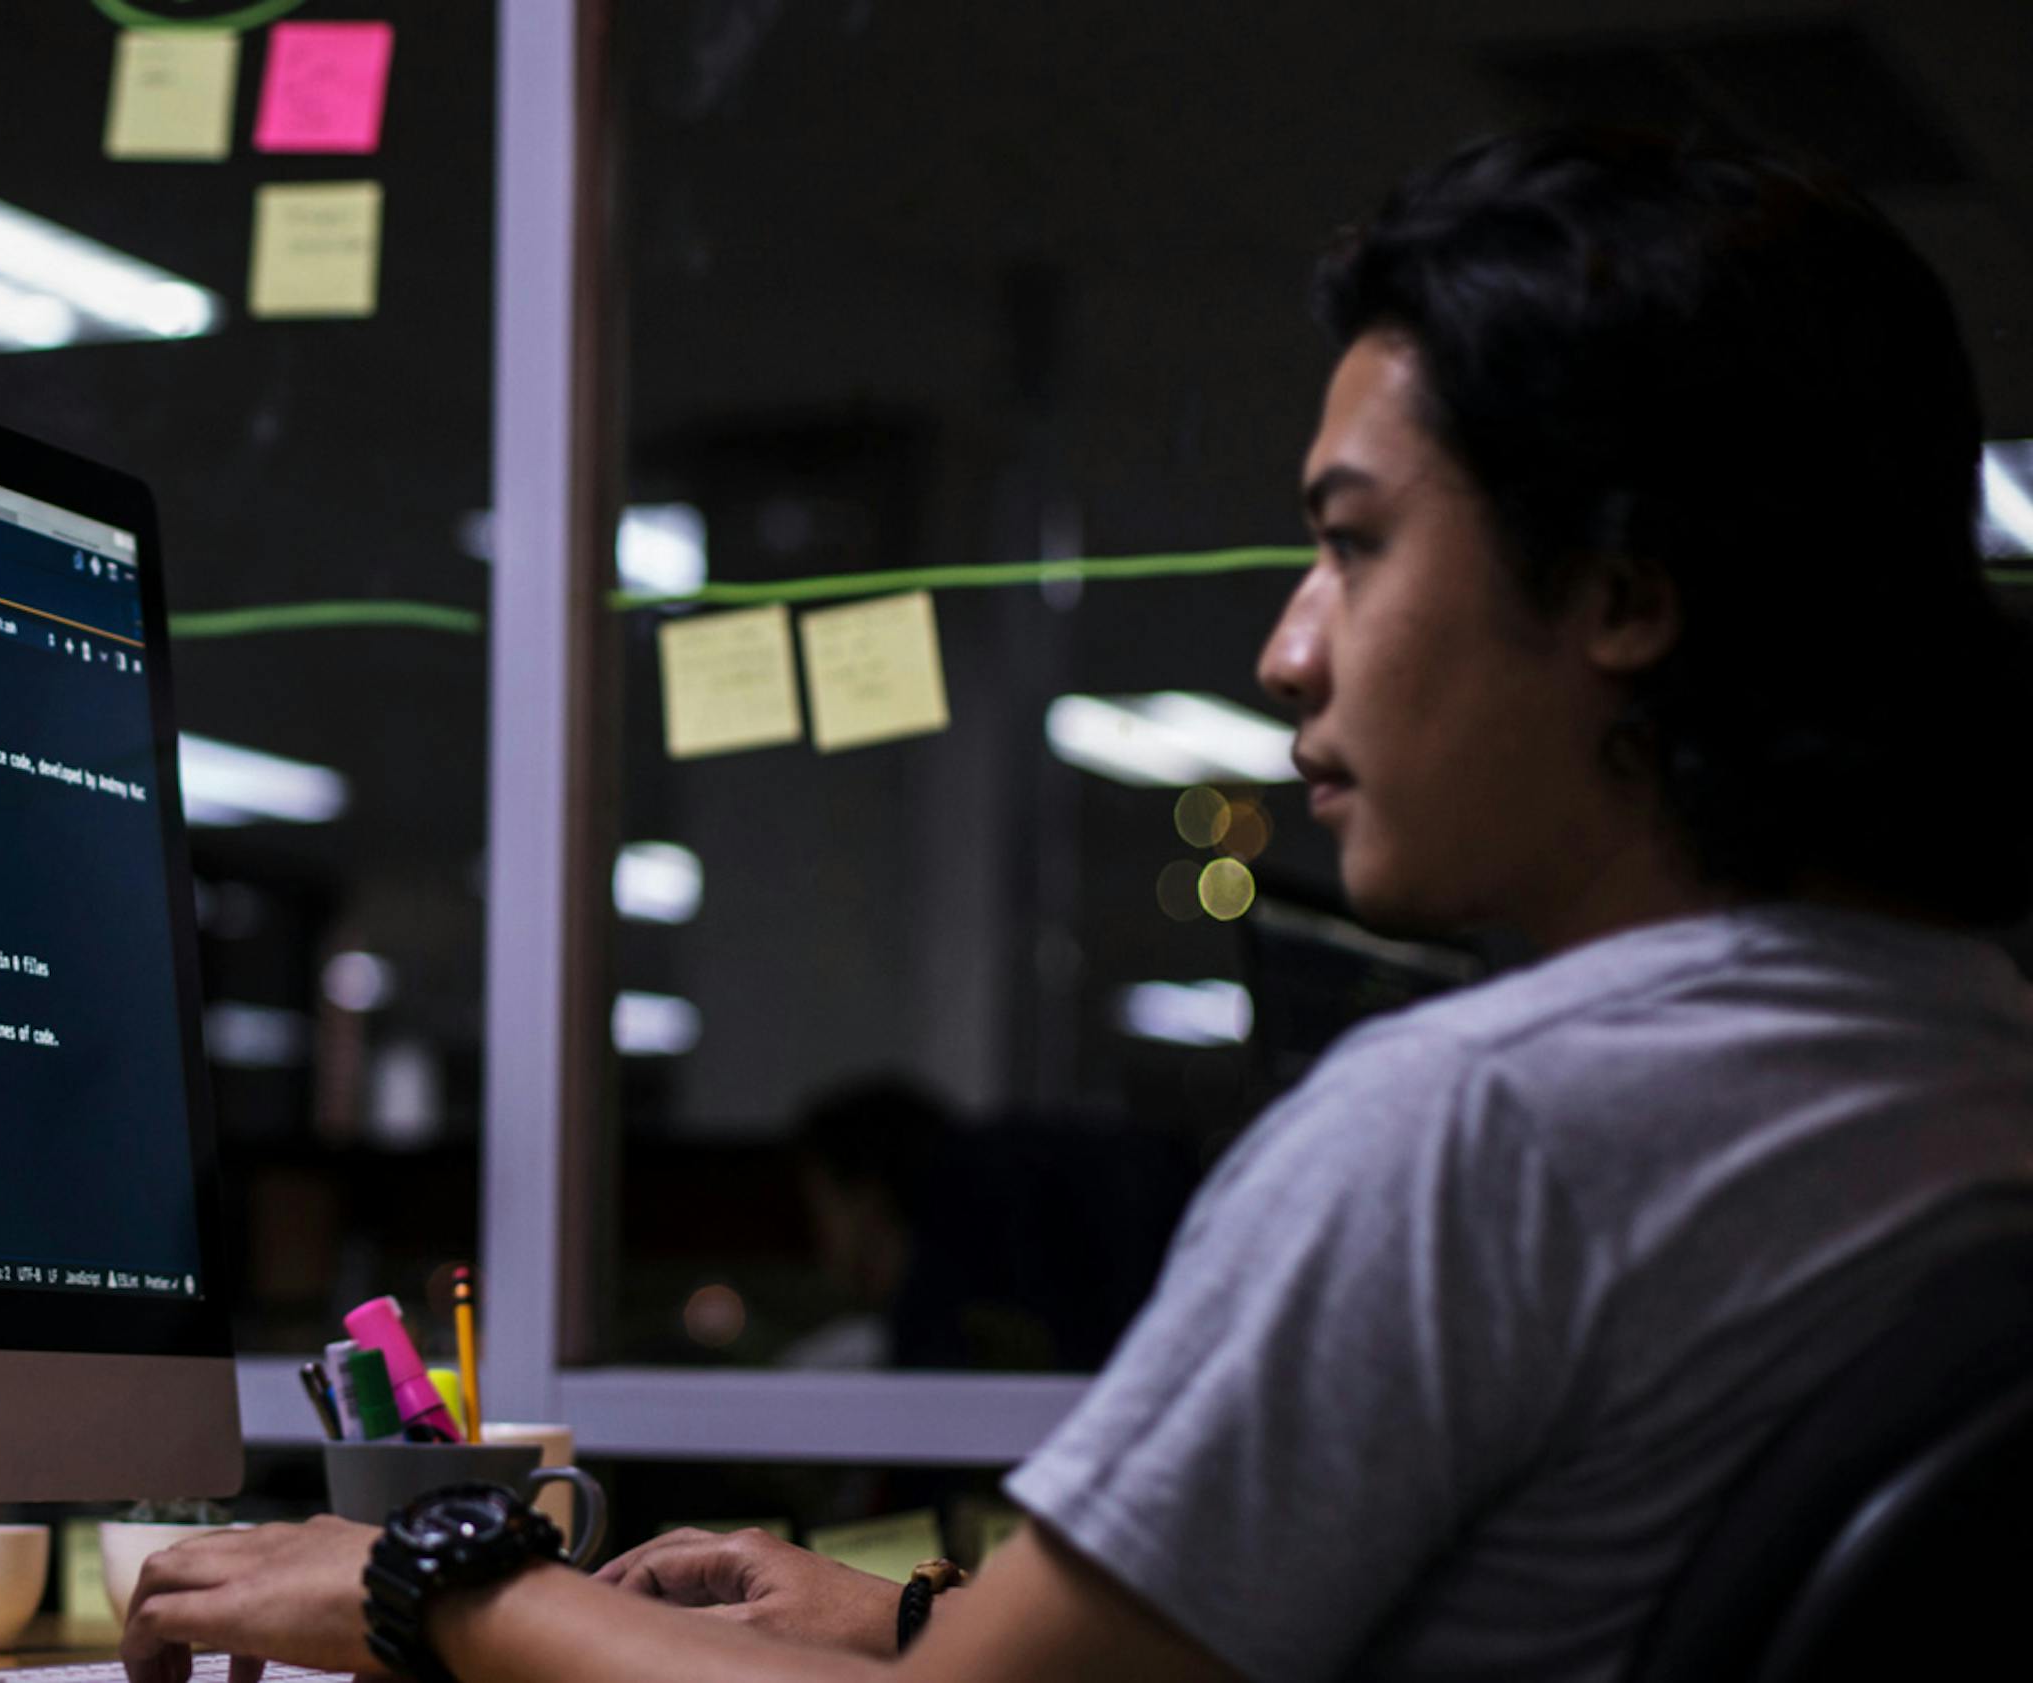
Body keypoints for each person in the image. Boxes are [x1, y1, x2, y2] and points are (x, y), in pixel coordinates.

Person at [121, 126, 2033, 1683]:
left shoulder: (1481, 1129)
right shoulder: (1964, 1059)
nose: (1289, 650)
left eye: (1355, 544)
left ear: (1623, 589)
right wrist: (919, 1619)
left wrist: (434, 1593)